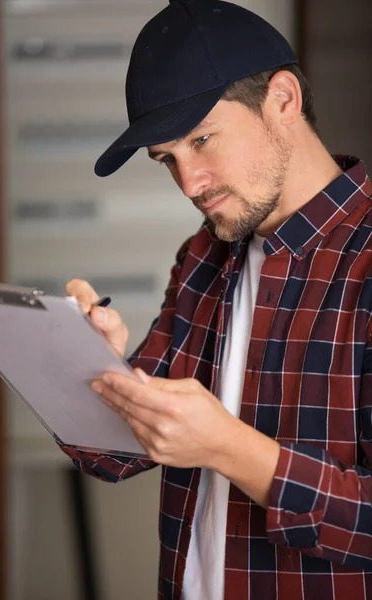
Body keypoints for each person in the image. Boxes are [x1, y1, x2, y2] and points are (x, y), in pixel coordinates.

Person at [59, 1, 372, 599]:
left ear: (283, 99)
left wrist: (232, 449)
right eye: (167, 160)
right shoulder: (203, 256)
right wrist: (85, 364)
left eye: (202, 140)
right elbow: (114, 455)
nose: (190, 183)